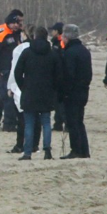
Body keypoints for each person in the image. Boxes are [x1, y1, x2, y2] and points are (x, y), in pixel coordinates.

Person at [15, 27, 63, 161]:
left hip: (29, 91)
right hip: (47, 92)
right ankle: (47, 151)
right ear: (46, 36)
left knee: (29, 123)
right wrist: (54, 90)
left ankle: (27, 152)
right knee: (46, 123)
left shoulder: (26, 52)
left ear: (34, 36)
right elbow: (59, 75)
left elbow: (17, 73)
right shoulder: (53, 53)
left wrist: (23, 86)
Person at [0, 11, 24, 132]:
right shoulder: (2, 35)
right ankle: (7, 124)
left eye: (18, 23)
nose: (17, 25)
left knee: (13, 97)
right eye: (14, 23)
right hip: (5, 71)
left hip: (14, 71)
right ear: (9, 23)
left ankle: (12, 122)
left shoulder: (16, 35)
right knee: (6, 98)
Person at [6, 25, 41, 155]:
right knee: (37, 118)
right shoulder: (43, 48)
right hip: (38, 87)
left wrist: (10, 86)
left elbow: (14, 70)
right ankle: (35, 144)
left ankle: (20, 144)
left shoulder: (19, 49)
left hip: (22, 87)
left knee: (22, 119)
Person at [60, 24, 92, 159]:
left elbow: (69, 75)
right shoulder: (84, 50)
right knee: (79, 121)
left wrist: (65, 92)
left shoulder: (70, 53)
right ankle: (84, 150)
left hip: (73, 93)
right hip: (83, 90)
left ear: (66, 37)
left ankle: (76, 150)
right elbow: (89, 73)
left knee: (72, 122)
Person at [49, 22, 66, 131]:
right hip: (60, 75)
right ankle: (58, 122)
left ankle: (60, 122)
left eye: (53, 30)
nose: (52, 32)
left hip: (59, 75)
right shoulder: (58, 42)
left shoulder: (59, 43)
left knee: (59, 101)